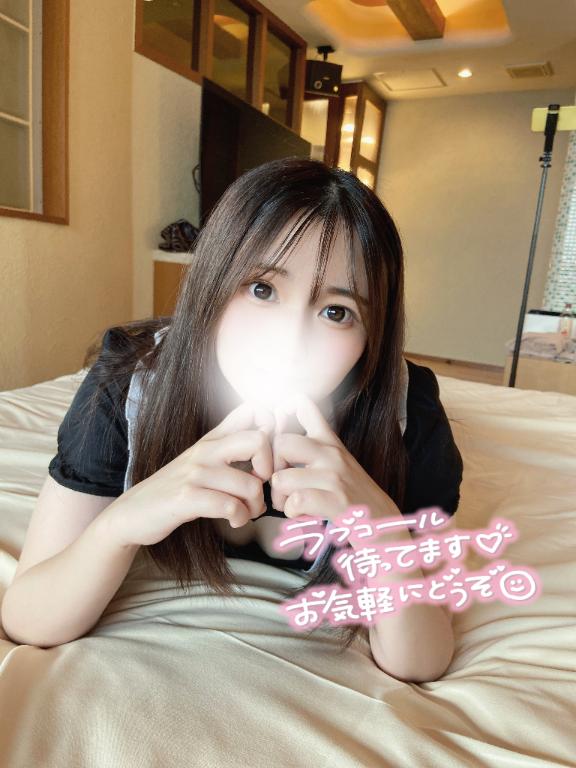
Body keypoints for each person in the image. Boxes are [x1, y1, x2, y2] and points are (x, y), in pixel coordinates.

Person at [3, 158, 463, 672]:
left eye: (337, 312)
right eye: (262, 289)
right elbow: (29, 619)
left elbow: (421, 662)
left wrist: (379, 527)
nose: (289, 341)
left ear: (371, 337)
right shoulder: (129, 385)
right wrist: (121, 524)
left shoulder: (406, 416)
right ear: (213, 284)